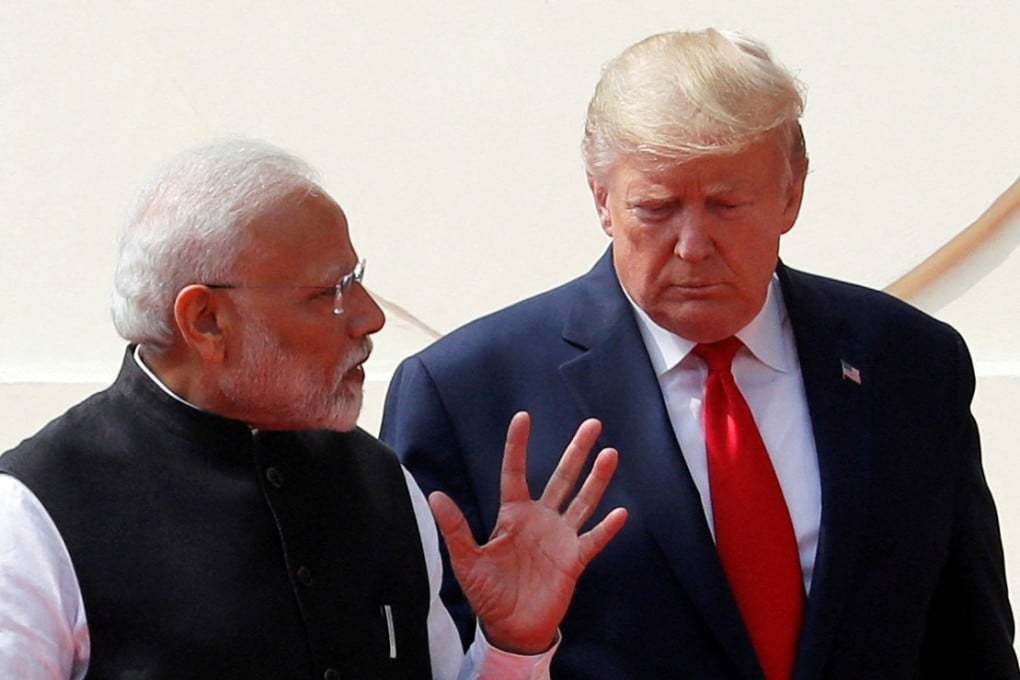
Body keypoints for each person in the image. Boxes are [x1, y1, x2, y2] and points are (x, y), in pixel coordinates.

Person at [381, 28, 1019, 679]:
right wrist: (513, 648)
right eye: (656, 208)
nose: (692, 246)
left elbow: (972, 646)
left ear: (791, 193)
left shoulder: (910, 364)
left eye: (726, 205)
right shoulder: (467, 395)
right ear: (602, 200)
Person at [0, 139, 628, 679]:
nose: (370, 317)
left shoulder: (380, 481)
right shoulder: (33, 519)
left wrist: (513, 645)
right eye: (330, 292)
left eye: (356, 280)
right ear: (206, 320)